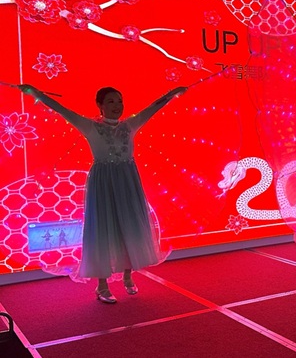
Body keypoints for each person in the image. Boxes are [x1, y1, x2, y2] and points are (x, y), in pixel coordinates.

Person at [19, 84, 187, 304]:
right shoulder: (90, 127)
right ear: (100, 105)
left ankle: (128, 276)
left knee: (130, 227)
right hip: (104, 184)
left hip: (128, 182)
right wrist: (36, 93)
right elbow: (61, 109)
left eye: (119, 101)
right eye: (111, 101)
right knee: (103, 230)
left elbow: (152, 108)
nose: (117, 106)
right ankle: (102, 286)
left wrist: (172, 94)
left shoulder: (129, 125)